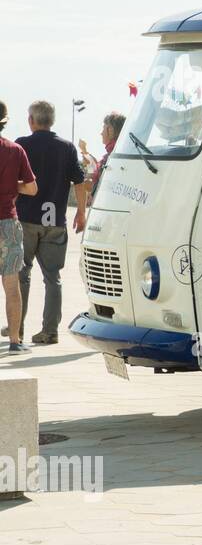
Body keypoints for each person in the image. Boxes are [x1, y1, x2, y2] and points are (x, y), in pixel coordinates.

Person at [13, 101, 87, 346]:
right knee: (52, 277)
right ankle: (50, 330)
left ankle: (18, 327)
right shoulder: (67, 147)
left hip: (25, 219)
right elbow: (79, 181)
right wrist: (81, 213)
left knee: (22, 275)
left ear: (32, 121)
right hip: (55, 221)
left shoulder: (22, 144)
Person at [0, 102, 39, 355]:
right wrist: (13, 188)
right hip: (7, 223)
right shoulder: (15, 150)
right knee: (12, 284)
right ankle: (15, 341)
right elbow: (32, 188)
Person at [81, 111, 125, 201]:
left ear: (110, 130)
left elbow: (91, 190)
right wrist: (91, 164)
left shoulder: (113, 156)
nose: (101, 133)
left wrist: (91, 165)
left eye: (103, 128)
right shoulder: (119, 153)